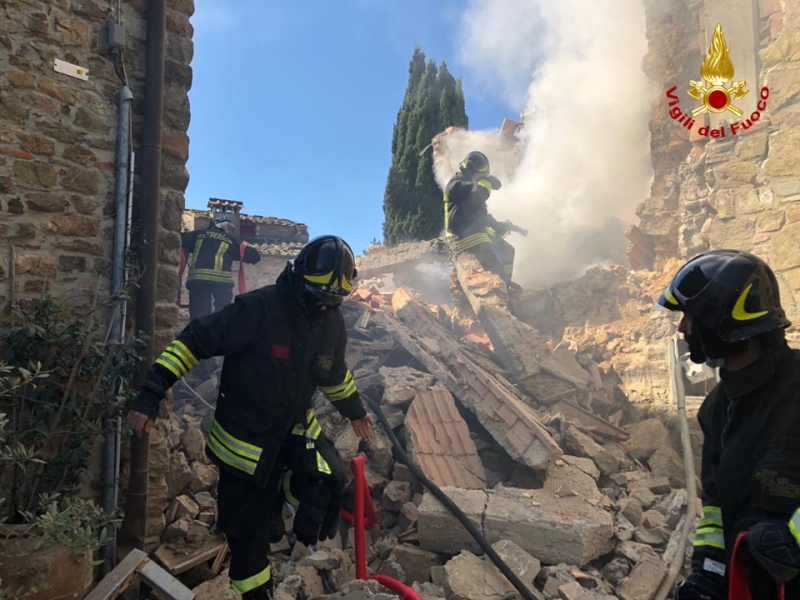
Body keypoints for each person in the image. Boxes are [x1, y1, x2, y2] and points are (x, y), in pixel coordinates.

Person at [128, 235, 374, 599]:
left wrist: (355, 411)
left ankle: (281, 500)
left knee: (330, 481)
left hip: (292, 432)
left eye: (333, 300)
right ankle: (256, 590)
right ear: (299, 279)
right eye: (319, 297)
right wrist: (151, 393)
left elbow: (333, 374)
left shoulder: (331, 322)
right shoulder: (260, 309)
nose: (324, 307)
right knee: (248, 539)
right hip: (243, 447)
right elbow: (195, 340)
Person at [657, 249, 800, 599]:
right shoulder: (716, 411)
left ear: (725, 320)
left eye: (690, 316)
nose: (682, 328)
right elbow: (715, 511)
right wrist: (708, 571)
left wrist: (791, 536)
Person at [444, 151, 527, 286]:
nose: (481, 178)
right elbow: (480, 194)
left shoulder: (468, 186)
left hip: (475, 232)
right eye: (480, 175)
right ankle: (498, 292)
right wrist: (488, 181)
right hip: (461, 237)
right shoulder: (456, 185)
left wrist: (500, 226)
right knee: (495, 265)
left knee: (508, 250)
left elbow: (478, 214)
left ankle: (505, 284)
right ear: (471, 171)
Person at [181, 215, 261, 320]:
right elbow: (255, 256)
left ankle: (199, 334)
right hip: (221, 283)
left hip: (198, 281)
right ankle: (219, 333)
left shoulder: (198, 235)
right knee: (222, 315)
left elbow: (179, 239)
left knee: (199, 317)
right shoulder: (231, 241)